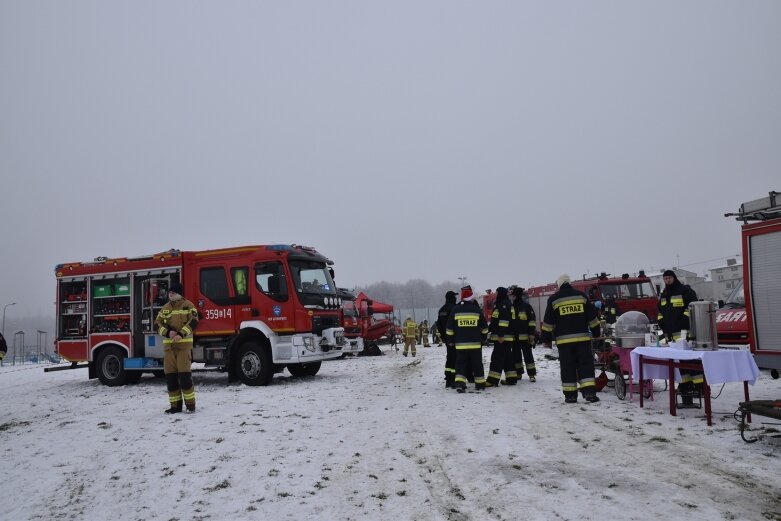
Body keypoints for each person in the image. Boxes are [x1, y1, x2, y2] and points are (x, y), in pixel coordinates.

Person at [541, 274, 601, 404]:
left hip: (564, 343)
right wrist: (596, 333)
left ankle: (570, 396)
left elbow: (547, 323)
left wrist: (545, 339)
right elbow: (593, 318)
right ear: (569, 282)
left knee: (567, 367)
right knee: (585, 366)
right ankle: (590, 393)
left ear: (559, 284)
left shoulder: (554, 299)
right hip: (582, 341)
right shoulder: (581, 296)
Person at [657, 269, 700, 406]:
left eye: (669, 278)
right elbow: (660, 310)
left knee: (691, 361)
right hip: (670, 334)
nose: (667, 281)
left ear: (674, 278)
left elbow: (692, 306)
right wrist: (661, 322)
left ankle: (701, 387)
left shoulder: (684, 290)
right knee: (680, 363)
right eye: (665, 279)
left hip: (684, 333)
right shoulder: (664, 293)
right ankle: (685, 385)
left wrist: (684, 320)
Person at [155, 281, 199, 413]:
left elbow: (194, 321)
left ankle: (190, 405)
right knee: (171, 379)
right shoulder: (165, 308)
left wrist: (181, 333)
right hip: (169, 349)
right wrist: (168, 332)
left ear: (179, 293)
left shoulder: (188, 305)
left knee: (185, 378)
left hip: (183, 347)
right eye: (169, 292)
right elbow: (157, 324)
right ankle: (175, 406)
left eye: (173, 292)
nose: (170, 294)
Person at [445, 285, 488, 393]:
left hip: (460, 344)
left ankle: (460, 383)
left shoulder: (456, 310)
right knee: (477, 364)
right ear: (471, 298)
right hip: (475, 344)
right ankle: (480, 384)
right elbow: (484, 328)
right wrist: (483, 338)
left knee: (460, 364)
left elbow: (449, 328)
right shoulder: (476, 310)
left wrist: (450, 341)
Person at [486, 287, 517, 387]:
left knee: (497, 358)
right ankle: (511, 379)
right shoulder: (505, 303)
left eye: (497, 292)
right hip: (506, 337)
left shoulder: (503, 304)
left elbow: (503, 321)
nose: (496, 294)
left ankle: (492, 380)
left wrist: (500, 335)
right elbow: (495, 320)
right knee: (508, 358)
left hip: (502, 337)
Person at [511, 287, 537, 382]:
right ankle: (518, 373)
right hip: (514, 338)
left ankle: (532, 374)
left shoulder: (526, 306)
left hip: (525, 338)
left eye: (513, 296)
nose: (512, 297)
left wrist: (531, 334)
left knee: (528, 356)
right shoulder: (511, 307)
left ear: (516, 295)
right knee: (516, 356)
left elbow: (532, 321)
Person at [437, 290, 458, 388]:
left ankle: (448, 378)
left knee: (449, 357)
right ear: (452, 298)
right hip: (455, 338)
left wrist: (443, 337)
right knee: (455, 358)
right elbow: (455, 324)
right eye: (455, 297)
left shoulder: (441, 310)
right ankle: (453, 379)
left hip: (446, 339)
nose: (456, 298)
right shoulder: (454, 308)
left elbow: (439, 325)